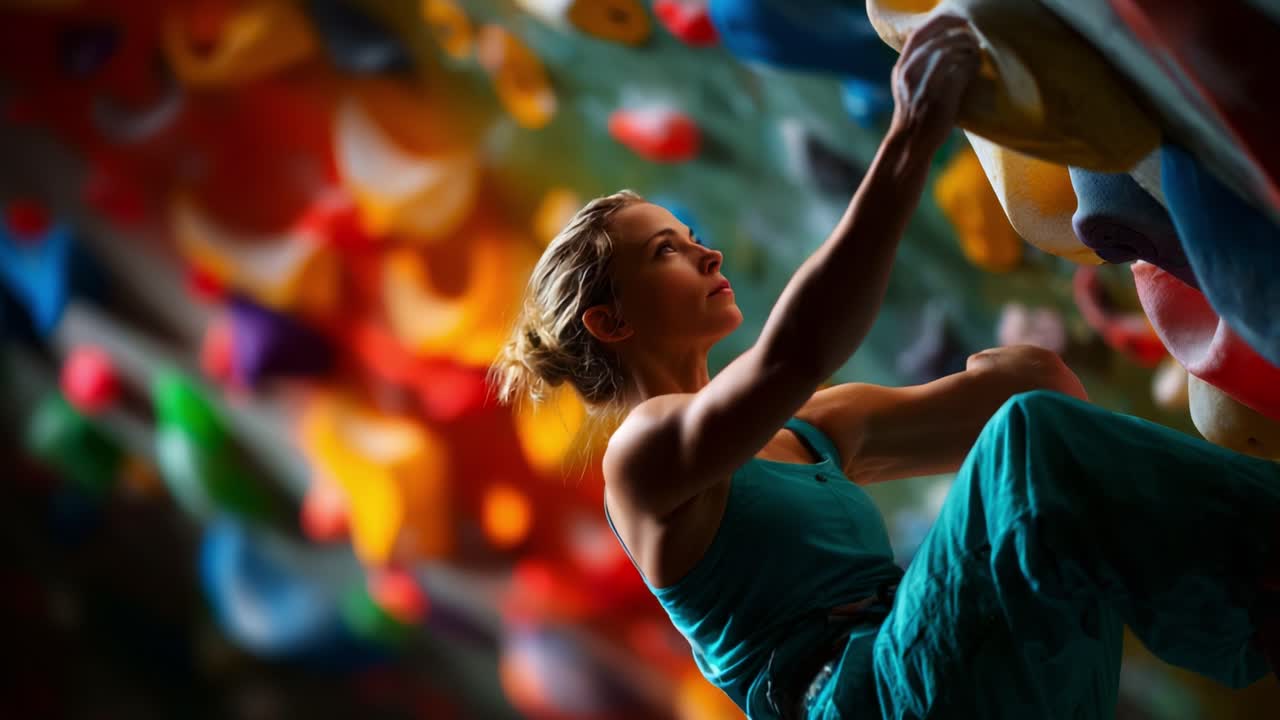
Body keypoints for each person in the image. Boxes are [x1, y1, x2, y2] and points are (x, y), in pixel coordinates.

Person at [488, 14, 1280, 719]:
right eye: (667, 250)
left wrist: (1014, 372)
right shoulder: (641, 460)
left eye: (688, 235)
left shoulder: (819, 431)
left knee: (1037, 447)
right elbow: (795, 355)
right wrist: (910, 135)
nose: (706, 249)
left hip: (953, 673)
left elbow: (1040, 395)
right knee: (1030, 444)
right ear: (610, 321)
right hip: (864, 697)